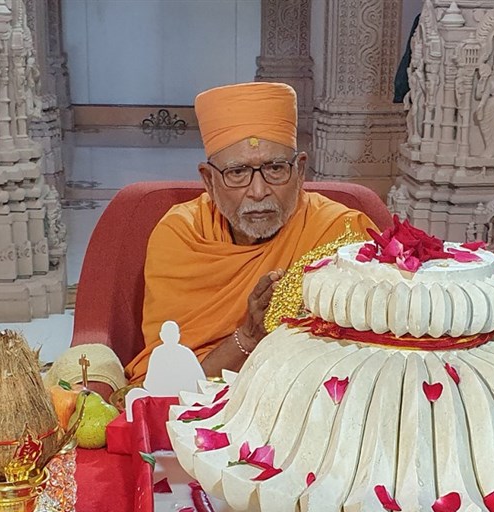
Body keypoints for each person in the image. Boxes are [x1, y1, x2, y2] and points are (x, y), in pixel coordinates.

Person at [51, 82, 377, 396]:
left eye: (276, 168)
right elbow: (167, 381)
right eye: (237, 173)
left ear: (300, 171)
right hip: (202, 409)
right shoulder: (182, 234)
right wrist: (250, 335)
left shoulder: (339, 232)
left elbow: (365, 361)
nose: (259, 190)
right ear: (208, 180)